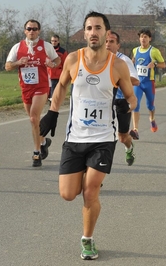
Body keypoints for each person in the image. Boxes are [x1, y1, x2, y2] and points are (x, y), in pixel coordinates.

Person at [39, 11, 137, 260]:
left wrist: (127, 106)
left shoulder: (117, 64)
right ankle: (88, 174)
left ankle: (87, 239)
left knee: (90, 192)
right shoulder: (73, 59)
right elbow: (61, 86)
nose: (93, 32)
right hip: (75, 137)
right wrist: (52, 112)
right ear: (85, 33)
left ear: (107, 33)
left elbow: (131, 96)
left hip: (103, 137)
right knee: (68, 194)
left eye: (98, 28)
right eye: (89, 28)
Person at [5, 19, 61, 167]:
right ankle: (43, 141)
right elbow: (7, 66)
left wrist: (53, 64)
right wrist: (18, 63)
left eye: (35, 29)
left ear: (39, 31)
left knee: (33, 118)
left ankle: (36, 153)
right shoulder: (17, 47)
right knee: (33, 120)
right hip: (26, 88)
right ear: (25, 31)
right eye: (29, 29)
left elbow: (58, 59)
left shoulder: (46, 46)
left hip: (41, 87)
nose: (32, 31)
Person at [105, 30, 139, 166]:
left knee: (122, 137)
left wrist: (118, 79)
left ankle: (129, 148)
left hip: (122, 102)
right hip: (105, 103)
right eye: (106, 41)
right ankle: (99, 168)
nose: (108, 44)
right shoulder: (98, 60)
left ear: (118, 45)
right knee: (105, 138)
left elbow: (136, 81)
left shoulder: (123, 60)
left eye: (112, 42)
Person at [129, 28, 165, 139]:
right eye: (141, 36)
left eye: (145, 37)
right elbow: (133, 61)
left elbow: (163, 64)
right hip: (137, 83)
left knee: (150, 105)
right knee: (135, 104)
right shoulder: (135, 50)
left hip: (149, 82)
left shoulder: (154, 51)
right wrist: (131, 63)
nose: (143, 39)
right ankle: (135, 129)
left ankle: (152, 119)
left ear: (150, 38)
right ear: (139, 39)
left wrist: (154, 64)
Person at [47, 34, 68, 100]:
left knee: (54, 93)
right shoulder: (47, 50)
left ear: (58, 41)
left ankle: (53, 106)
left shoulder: (62, 51)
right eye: (52, 41)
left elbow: (65, 63)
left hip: (57, 75)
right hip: (48, 74)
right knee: (48, 93)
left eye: (55, 41)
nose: (54, 42)